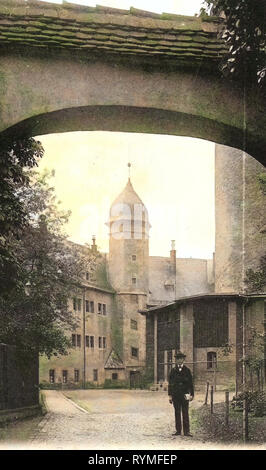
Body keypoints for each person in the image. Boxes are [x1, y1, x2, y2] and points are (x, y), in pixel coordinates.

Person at [168, 350, 194, 437]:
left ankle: (187, 431)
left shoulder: (187, 370)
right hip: (175, 395)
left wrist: (192, 394)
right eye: (177, 359)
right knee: (177, 412)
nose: (179, 360)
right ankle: (178, 431)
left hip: (185, 395)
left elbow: (190, 383)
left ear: (183, 360)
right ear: (175, 360)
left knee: (185, 412)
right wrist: (170, 396)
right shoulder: (173, 371)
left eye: (181, 359)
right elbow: (170, 384)